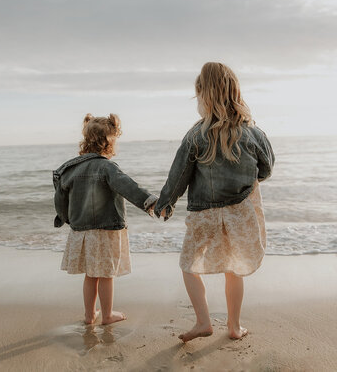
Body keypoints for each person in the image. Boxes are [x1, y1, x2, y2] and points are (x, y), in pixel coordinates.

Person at [154, 62, 275, 342]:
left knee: (188, 264)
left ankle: (203, 322)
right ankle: (233, 327)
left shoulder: (195, 135)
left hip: (204, 214)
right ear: (235, 92)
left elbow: (178, 178)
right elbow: (267, 169)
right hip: (240, 212)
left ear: (203, 95)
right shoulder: (253, 133)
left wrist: (165, 203)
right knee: (233, 268)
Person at [53, 113, 157, 325]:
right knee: (106, 274)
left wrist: (66, 219)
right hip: (107, 229)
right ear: (108, 142)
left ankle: (90, 315)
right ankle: (107, 315)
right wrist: (150, 202)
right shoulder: (107, 167)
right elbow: (129, 187)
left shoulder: (69, 169)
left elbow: (60, 199)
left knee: (91, 275)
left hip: (82, 230)